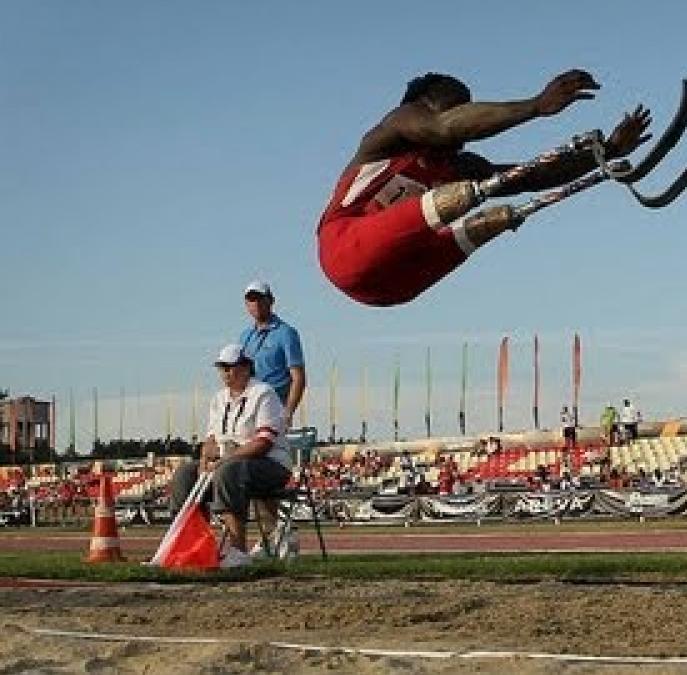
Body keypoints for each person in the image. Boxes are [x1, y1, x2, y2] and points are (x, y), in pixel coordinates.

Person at [316, 70, 651, 307]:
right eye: (457, 108)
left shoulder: (462, 166)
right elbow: (442, 128)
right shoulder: (388, 137)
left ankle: (491, 218)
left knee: (488, 215)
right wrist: (536, 105)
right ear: (421, 106)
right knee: (462, 194)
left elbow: (529, 178)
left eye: (468, 108)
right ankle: (465, 202)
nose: (466, 119)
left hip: (397, 287)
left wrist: (605, 153)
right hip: (345, 253)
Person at [169, 345, 292, 568]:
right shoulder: (219, 399)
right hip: (232, 463)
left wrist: (225, 459)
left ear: (246, 368)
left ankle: (238, 550)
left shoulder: (264, 393)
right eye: (222, 368)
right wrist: (206, 458)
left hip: (270, 465)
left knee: (229, 471)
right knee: (184, 474)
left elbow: (263, 443)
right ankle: (191, 545)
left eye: (230, 367)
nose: (226, 373)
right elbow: (211, 438)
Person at [238, 281, 306, 429]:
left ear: (271, 300)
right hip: (248, 408)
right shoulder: (245, 336)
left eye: (259, 298)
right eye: (250, 299)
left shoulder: (286, 333)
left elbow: (298, 377)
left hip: (274, 408)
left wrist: (288, 412)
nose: (255, 303)